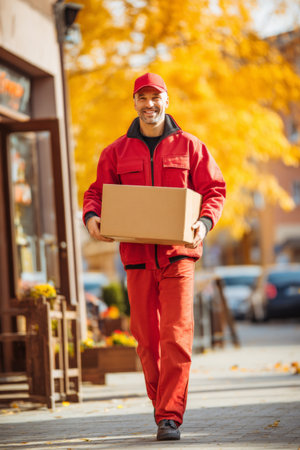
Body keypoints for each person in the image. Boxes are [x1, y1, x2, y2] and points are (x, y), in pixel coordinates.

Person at [83, 73, 226, 441]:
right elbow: (95, 193)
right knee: (145, 339)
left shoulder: (191, 147)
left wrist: (204, 223)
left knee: (176, 335)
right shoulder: (115, 152)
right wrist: (92, 216)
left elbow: (214, 189)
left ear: (167, 101)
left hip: (178, 256)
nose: (149, 104)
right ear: (134, 103)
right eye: (142, 98)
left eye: (155, 97)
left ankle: (170, 416)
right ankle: (161, 401)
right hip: (136, 258)